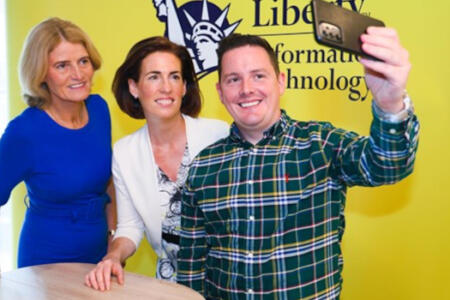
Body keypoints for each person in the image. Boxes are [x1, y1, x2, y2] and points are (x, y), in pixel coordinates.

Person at [177, 29, 419, 299]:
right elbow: (191, 265)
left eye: (259, 75)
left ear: (280, 82)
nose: (246, 89)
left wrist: (390, 105)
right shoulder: (203, 166)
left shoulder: (321, 144)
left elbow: (387, 165)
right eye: (234, 79)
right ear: (221, 92)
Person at [84, 36, 229, 291]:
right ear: (134, 87)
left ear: (184, 87)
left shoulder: (219, 134)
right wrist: (113, 257)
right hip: (170, 285)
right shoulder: (125, 152)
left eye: (174, 76)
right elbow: (130, 226)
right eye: (154, 77)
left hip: (227, 280)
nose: (166, 87)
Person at [0, 18, 115, 268]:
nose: (78, 74)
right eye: (62, 65)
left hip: (99, 259)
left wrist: (113, 241)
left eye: (83, 61)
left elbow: (108, 182)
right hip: (45, 263)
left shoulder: (99, 109)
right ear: (40, 73)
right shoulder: (24, 132)